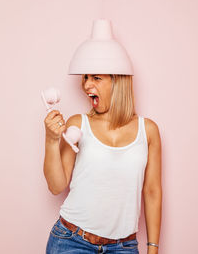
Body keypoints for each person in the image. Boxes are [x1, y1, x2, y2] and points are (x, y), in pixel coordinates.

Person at [43, 20, 162, 253]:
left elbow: (152, 191)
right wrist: (50, 139)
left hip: (124, 247)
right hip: (70, 240)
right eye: (86, 77)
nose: (87, 84)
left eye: (96, 78)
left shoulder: (148, 131)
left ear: (118, 81)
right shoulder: (79, 124)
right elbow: (57, 186)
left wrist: (153, 248)